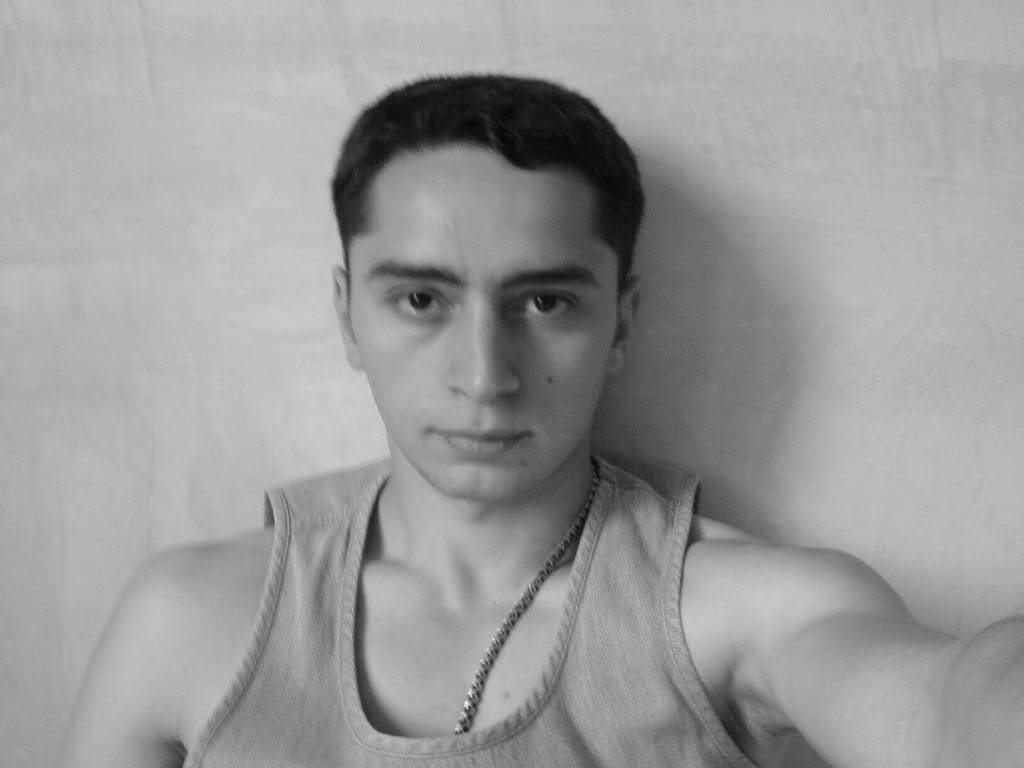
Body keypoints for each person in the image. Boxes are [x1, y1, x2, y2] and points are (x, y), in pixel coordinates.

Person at [57, 74, 1022, 768]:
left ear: (620, 325)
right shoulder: (187, 618)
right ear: (347, 315)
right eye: (421, 300)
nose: (485, 375)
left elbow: (944, 706)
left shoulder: (737, 613)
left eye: (546, 302)